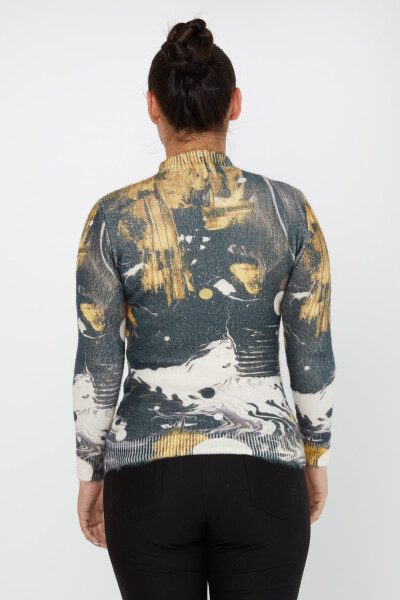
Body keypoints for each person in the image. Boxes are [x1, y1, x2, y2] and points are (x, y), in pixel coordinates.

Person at [73, 17, 336, 600]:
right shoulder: (289, 210)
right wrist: (314, 454)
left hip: (147, 478)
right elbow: (311, 351)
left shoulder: (113, 217)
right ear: (234, 103)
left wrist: (91, 471)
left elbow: (97, 362)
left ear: (152, 106)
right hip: (265, 473)